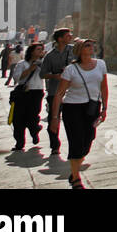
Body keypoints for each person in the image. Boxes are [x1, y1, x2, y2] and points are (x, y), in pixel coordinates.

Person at [49, 39, 108, 189]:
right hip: (73, 108)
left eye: (92, 45)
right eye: (87, 45)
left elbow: (104, 87)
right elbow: (59, 94)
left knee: (88, 142)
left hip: (92, 107)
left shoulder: (100, 64)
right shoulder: (71, 69)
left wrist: (105, 108)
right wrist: (55, 117)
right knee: (76, 142)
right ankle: (76, 178)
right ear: (80, 50)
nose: (92, 47)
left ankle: (74, 169)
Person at [41, 28, 75, 157]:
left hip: (72, 91)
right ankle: (55, 145)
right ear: (60, 39)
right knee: (53, 119)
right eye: (67, 35)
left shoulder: (74, 51)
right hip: (54, 91)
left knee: (72, 120)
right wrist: (55, 76)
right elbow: (42, 74)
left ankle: (74, 144)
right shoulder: (50, 56)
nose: (70, 37)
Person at [10, 43, 46, 150]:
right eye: (38, 49)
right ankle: (19, 143)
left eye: (41, 49)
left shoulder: (43, 64)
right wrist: (31, 68)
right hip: (23, 93)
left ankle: (35, 131)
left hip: (36, 93)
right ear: (31, 51)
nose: (40, 51)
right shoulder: (22, 64)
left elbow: (47, 75)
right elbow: (17, 78)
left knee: (33, 116)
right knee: (18, 119)